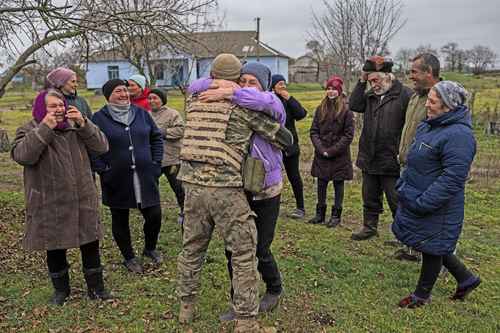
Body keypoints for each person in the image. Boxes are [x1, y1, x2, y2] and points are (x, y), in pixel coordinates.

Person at [176, 53, 292, 333]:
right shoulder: (241, 108)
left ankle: (186, 309)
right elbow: (284, 138)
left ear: (211, 76)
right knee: (243, 254)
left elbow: (196, 87)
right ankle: (247, 321)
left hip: (191, 188)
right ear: (237, 79)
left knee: (192, 248)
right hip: (226, 190)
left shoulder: (193, 102)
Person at [11, 89, 112, 305]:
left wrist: (84, 123)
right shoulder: (28, 129)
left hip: (82, 197)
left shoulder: (75, 128)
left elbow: (102, 146)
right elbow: (23, 156)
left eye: (61, 105)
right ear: (40, 108)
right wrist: (45, 128)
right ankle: (61, 291)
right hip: (49, 202)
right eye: (52, 106)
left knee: (90, 244)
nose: (59, 110)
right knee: (55, 246)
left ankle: (97, 289)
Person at [392, 81, 480, 308]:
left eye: (432, 102)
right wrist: (404, 183)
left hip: (438, 204)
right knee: (432, 243)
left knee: (432, 246)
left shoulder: (460, 136)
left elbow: (453, 178)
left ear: (448, 106)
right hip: (418, 195)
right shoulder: (430, 125)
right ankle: (466, 279)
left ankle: (421, 295)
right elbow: (414, 159)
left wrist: (424, 202)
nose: (427, 105)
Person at [91, 79, 164, 274]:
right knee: (120, 218)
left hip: (145, 175)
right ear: (108, 96)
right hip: (116, 177)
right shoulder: (98, 118)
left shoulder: (141, 114)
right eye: (118, 91)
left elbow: (156, 137)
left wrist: (156, 163)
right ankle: (129, 257)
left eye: (125, 90)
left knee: (154, 214)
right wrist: (103, 169)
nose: (123, 94)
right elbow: (91, 146)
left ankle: (150, 248)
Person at [349, 56, 412, 241]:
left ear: (388, 76)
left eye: (376, 80)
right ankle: (369, 227)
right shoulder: (369, 96)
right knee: (369, 196)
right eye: (370, 81)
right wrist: (361, 81)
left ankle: (401, 234)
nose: (373, 85)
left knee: (396, 200)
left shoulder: (405, 95)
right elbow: (354, 105)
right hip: (370, 155)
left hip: (391, 158)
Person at [394, 53, 441, 261]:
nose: (410, 76)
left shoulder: (441, 100)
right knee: (410, 208)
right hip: (408, 164)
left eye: (414, 71)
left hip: (428, 168)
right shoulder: (415, 97)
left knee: (431, 214)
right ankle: (412, 249)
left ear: (429, 72)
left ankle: (438, 257)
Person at [309, 76, 354, 227]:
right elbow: (314, 131)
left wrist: (333, 151)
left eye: (334, 89)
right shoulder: (320, 108)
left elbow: (348, 135)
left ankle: (336, 215)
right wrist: (321, 149)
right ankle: (319, 214)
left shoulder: (346, 111)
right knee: (321, 183)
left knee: (338, 184)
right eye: (328, 88)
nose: (331, 91)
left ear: (339, 91)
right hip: (321, 154)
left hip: (339, 156)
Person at [271, 74, 307, 219]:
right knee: (274, 178)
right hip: (273, 146)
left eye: (284, 83)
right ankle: (273, 207)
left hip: (290, 146)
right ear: (272, 86)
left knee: (294, 176)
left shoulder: (288, 100)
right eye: (280, 84)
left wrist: (289, 97)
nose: (283, 86)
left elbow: (301, 114)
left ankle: (300, 207)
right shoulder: (269, 101)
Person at [148, 89, 185, 224]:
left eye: (155, 98)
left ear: (162, 100)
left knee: (178, 188)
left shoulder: (172, 114)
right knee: (152, 188)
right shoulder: (146, 115)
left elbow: (180, 130)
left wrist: (161, 132)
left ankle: (184, 211)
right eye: (150, 98)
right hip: (154, 159)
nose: (152, 101)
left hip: (172, 159)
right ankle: (153, 214)